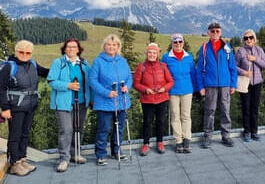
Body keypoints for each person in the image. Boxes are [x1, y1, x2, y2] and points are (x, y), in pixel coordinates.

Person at [0, 40, 49, 176]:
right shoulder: (9, 67)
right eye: (21, 52)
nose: (24, 55)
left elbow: (45, 72)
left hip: (30, 105)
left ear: (31, 53)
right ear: (16, 52)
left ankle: (22, 159)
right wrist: (5, 108)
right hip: (15, 107)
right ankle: (14, 163)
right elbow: (1, 88)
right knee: (15, 135)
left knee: (25, 133)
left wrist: (62, 68)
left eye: (28, 52)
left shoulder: (32, 64)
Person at [47, 39, 91, 172]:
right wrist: (68, 86)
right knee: (66, 131)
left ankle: (75, 153)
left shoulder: (84, 63)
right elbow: (51, 81)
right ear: (64, 49)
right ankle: (64, 159)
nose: (71, 49)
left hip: (81, 102)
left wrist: (91, 99)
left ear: (78, 49)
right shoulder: (58, 63)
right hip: (63, 103)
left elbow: (89, 82)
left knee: (79, 129)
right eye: (68, 47)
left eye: (74, 47)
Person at [89, 34, 132, 166]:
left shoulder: (122, 61)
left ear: (118, 47)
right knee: (104, 128)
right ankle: (101, 154)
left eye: (114, 45)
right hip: (104, 102)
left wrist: (127, 87)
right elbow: (93, 81)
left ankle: (116, 151)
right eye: (108, 44)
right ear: (104, 46)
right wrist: (107, 93)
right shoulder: (98, 61)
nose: (111, 47)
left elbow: (129, 77)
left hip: (121, 101)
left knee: (119, 128)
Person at [197, 23, 237, 148]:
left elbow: (233, 68)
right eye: (212, 31)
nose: (215, 33)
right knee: (210, 111)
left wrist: (233, 84)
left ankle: (226, 136)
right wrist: (201, 86)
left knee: (225, 110)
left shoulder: (227, 47)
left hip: (225, 84)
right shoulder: (204, 48)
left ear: (220, 32)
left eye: (217, 31)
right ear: (208, 32)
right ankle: (208, 136)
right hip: (210, 84)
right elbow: (199, 70)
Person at [134, 43, 174, 155]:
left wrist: (164, 88)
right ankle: (146, 144)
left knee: (160, 122)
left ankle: (160, 142)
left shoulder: (163, 66)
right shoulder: (141, 67)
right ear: (146, 54)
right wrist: (145, 89)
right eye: (150, 52)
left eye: (154, 52)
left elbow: (171, 81)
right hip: (147, 99)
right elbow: (136, 83)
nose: (152, 54)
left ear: (158, 54)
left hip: (162, 98)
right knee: (147, 122)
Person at [161, 34, 195, 153]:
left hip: (187, 90)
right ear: (172, 43)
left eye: (180, 41)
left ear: (183, 43)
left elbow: (193, 74)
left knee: (186, 116)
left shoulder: (189, 57)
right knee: (175, 116)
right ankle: (178, 141)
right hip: (172, 91)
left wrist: (195, 88)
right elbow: (163, 74)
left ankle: (187, 140)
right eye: (175, 42)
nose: (178, 44)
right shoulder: (166, 57)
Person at [235, 29, 265, 142]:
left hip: (257, 83)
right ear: (243, 40)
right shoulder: (240, 51)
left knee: (254, 108)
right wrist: (244, 72)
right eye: (246, 38)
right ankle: (247, 131)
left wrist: (255, 59)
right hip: (245, 83)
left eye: (251, 37)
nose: (248, 40)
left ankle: (254, 131)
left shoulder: (259, 50)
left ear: (254, 39)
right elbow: (234, 67)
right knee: (246, 108)